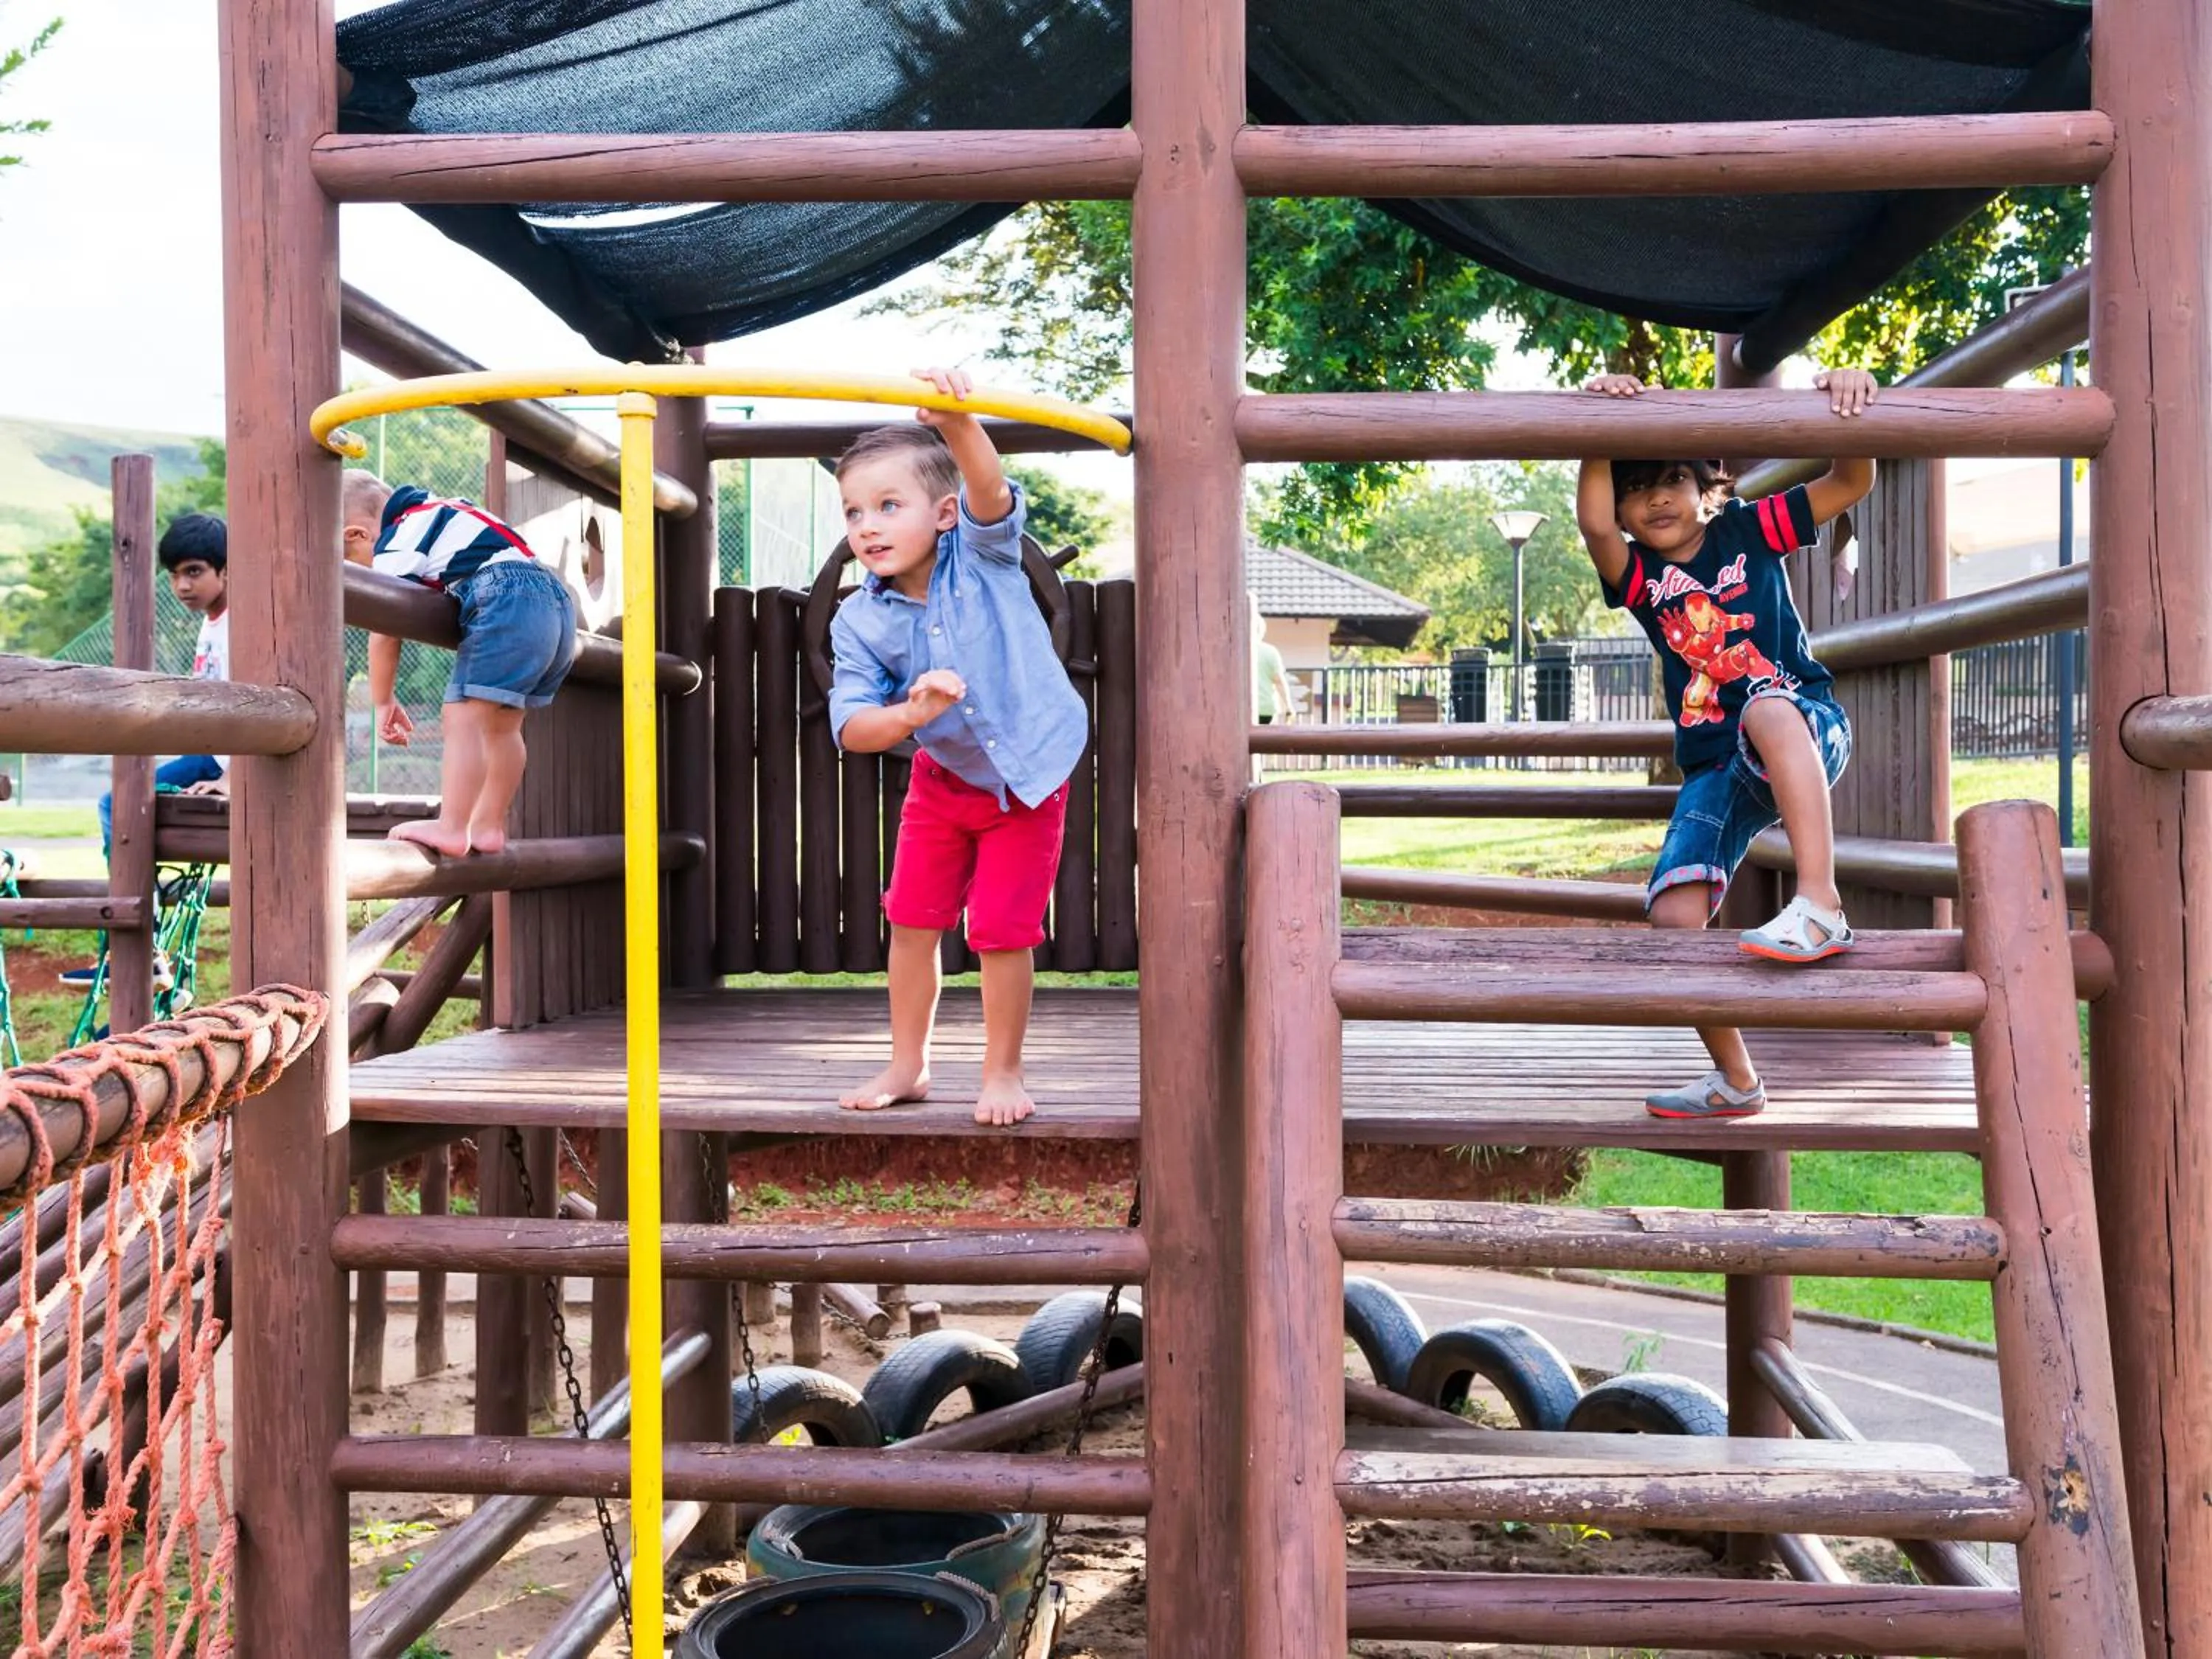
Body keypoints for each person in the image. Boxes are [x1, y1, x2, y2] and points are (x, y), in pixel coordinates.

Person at [1574, 366, 1878, 1120]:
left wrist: (1845, 401)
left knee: (1767, 709)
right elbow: (1590, 527)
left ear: (1704, 483)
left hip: (1803, 721)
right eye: (1635, 488)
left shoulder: (1747, 528)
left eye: (1671, 479)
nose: (1656, 499)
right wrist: (1593, 424)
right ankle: (1738, 1080)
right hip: (1718, 761)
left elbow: (1851, 481)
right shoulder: (1641, 580)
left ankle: (1821, 901)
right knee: (1673, 921)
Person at [827, 367, 1088, 1127]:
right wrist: (911, 713)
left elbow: (989, 487)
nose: (867, 526)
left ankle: (1002, 1072)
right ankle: (908, 1065)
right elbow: (852, 727)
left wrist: (954, 422)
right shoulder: (858, 622)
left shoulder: (984, 559)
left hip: (1028, 776)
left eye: (887, 506)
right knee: (912, 919)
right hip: (943, 782)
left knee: (1002, 930)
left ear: (943, 515)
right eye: (852, 512)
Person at [340, 470, 577, 858]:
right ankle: (487, 825)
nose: (370, 570)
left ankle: (453, 826)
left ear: (359, 535)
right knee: (503, 726)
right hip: (556, 605)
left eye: (358, 563)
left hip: (507, 596)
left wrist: (383, 700)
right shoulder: (448, 511)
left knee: (462, 717)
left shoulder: (399, 535)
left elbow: (384, 629)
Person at [63, 512, 232, 991]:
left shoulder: (241, 623)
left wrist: (232, 780)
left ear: (227, 570)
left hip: (231, 761)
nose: (182, 585)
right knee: (122, 803)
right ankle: (144, 936)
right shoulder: (212, 623)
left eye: (194, 571)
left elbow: (258, 702)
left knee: (116, 806)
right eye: (175, 574)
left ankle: (142, 943)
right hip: (216, 754)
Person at [1252, 594, 1296, 726]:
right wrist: (1289, 706)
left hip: (1238, 708)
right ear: (1262, 630)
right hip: (1265, 709)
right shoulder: (1270, 651)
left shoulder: (1234, 651)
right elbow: (1279, 682)